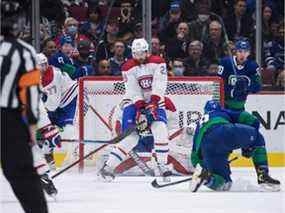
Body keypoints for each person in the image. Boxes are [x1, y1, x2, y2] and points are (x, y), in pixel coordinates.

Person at [99, 38, 172, 181]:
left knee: (160, 129)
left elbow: (160, 83)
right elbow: (132, 90)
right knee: (131, 137)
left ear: (147, 51)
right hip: (133, 103)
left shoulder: (158, 62)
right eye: (135, 53)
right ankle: (108, 168)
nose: (139, 57)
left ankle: (162, 166)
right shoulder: (127, 67)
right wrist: (140, 109)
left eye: (141, 53)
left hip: (155, 101)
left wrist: (154, 102)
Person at [0, 1, 48, 212]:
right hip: (8, 120)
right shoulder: (24, 52)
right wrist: (31, 127)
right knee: (22, 175)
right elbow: (30, 94)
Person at [189, 100, 280, 192]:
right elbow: (252, 120)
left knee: (224, 184)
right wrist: (248, 147)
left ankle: (205, 177)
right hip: (223, 131)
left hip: (207, 147)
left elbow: (194, 157)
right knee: (258, 137)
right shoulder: (224, 112)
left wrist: (205, 167)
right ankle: (263, 176)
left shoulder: (198, 126)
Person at [217, 38, 261, 129]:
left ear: (249, 53)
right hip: (224, 107)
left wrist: (245, 89)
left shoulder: (253, 66)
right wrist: (232, 92)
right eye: (240, 51)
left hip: (240, 108)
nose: (242, 54)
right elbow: (218, 84)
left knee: (253, 124)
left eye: (245, 52)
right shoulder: (226, 62)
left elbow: (257, 86)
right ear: (235, 52)